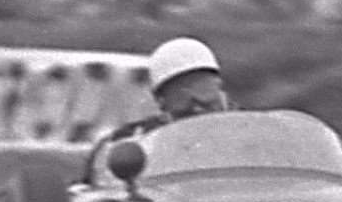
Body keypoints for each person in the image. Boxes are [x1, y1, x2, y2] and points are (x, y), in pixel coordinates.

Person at [86, 36, 233, 178]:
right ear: (161, 102)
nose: (197, 107)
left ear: (219, 86)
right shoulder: (140, 139)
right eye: (180, 97)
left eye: (204, 89)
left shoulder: (247, 129)